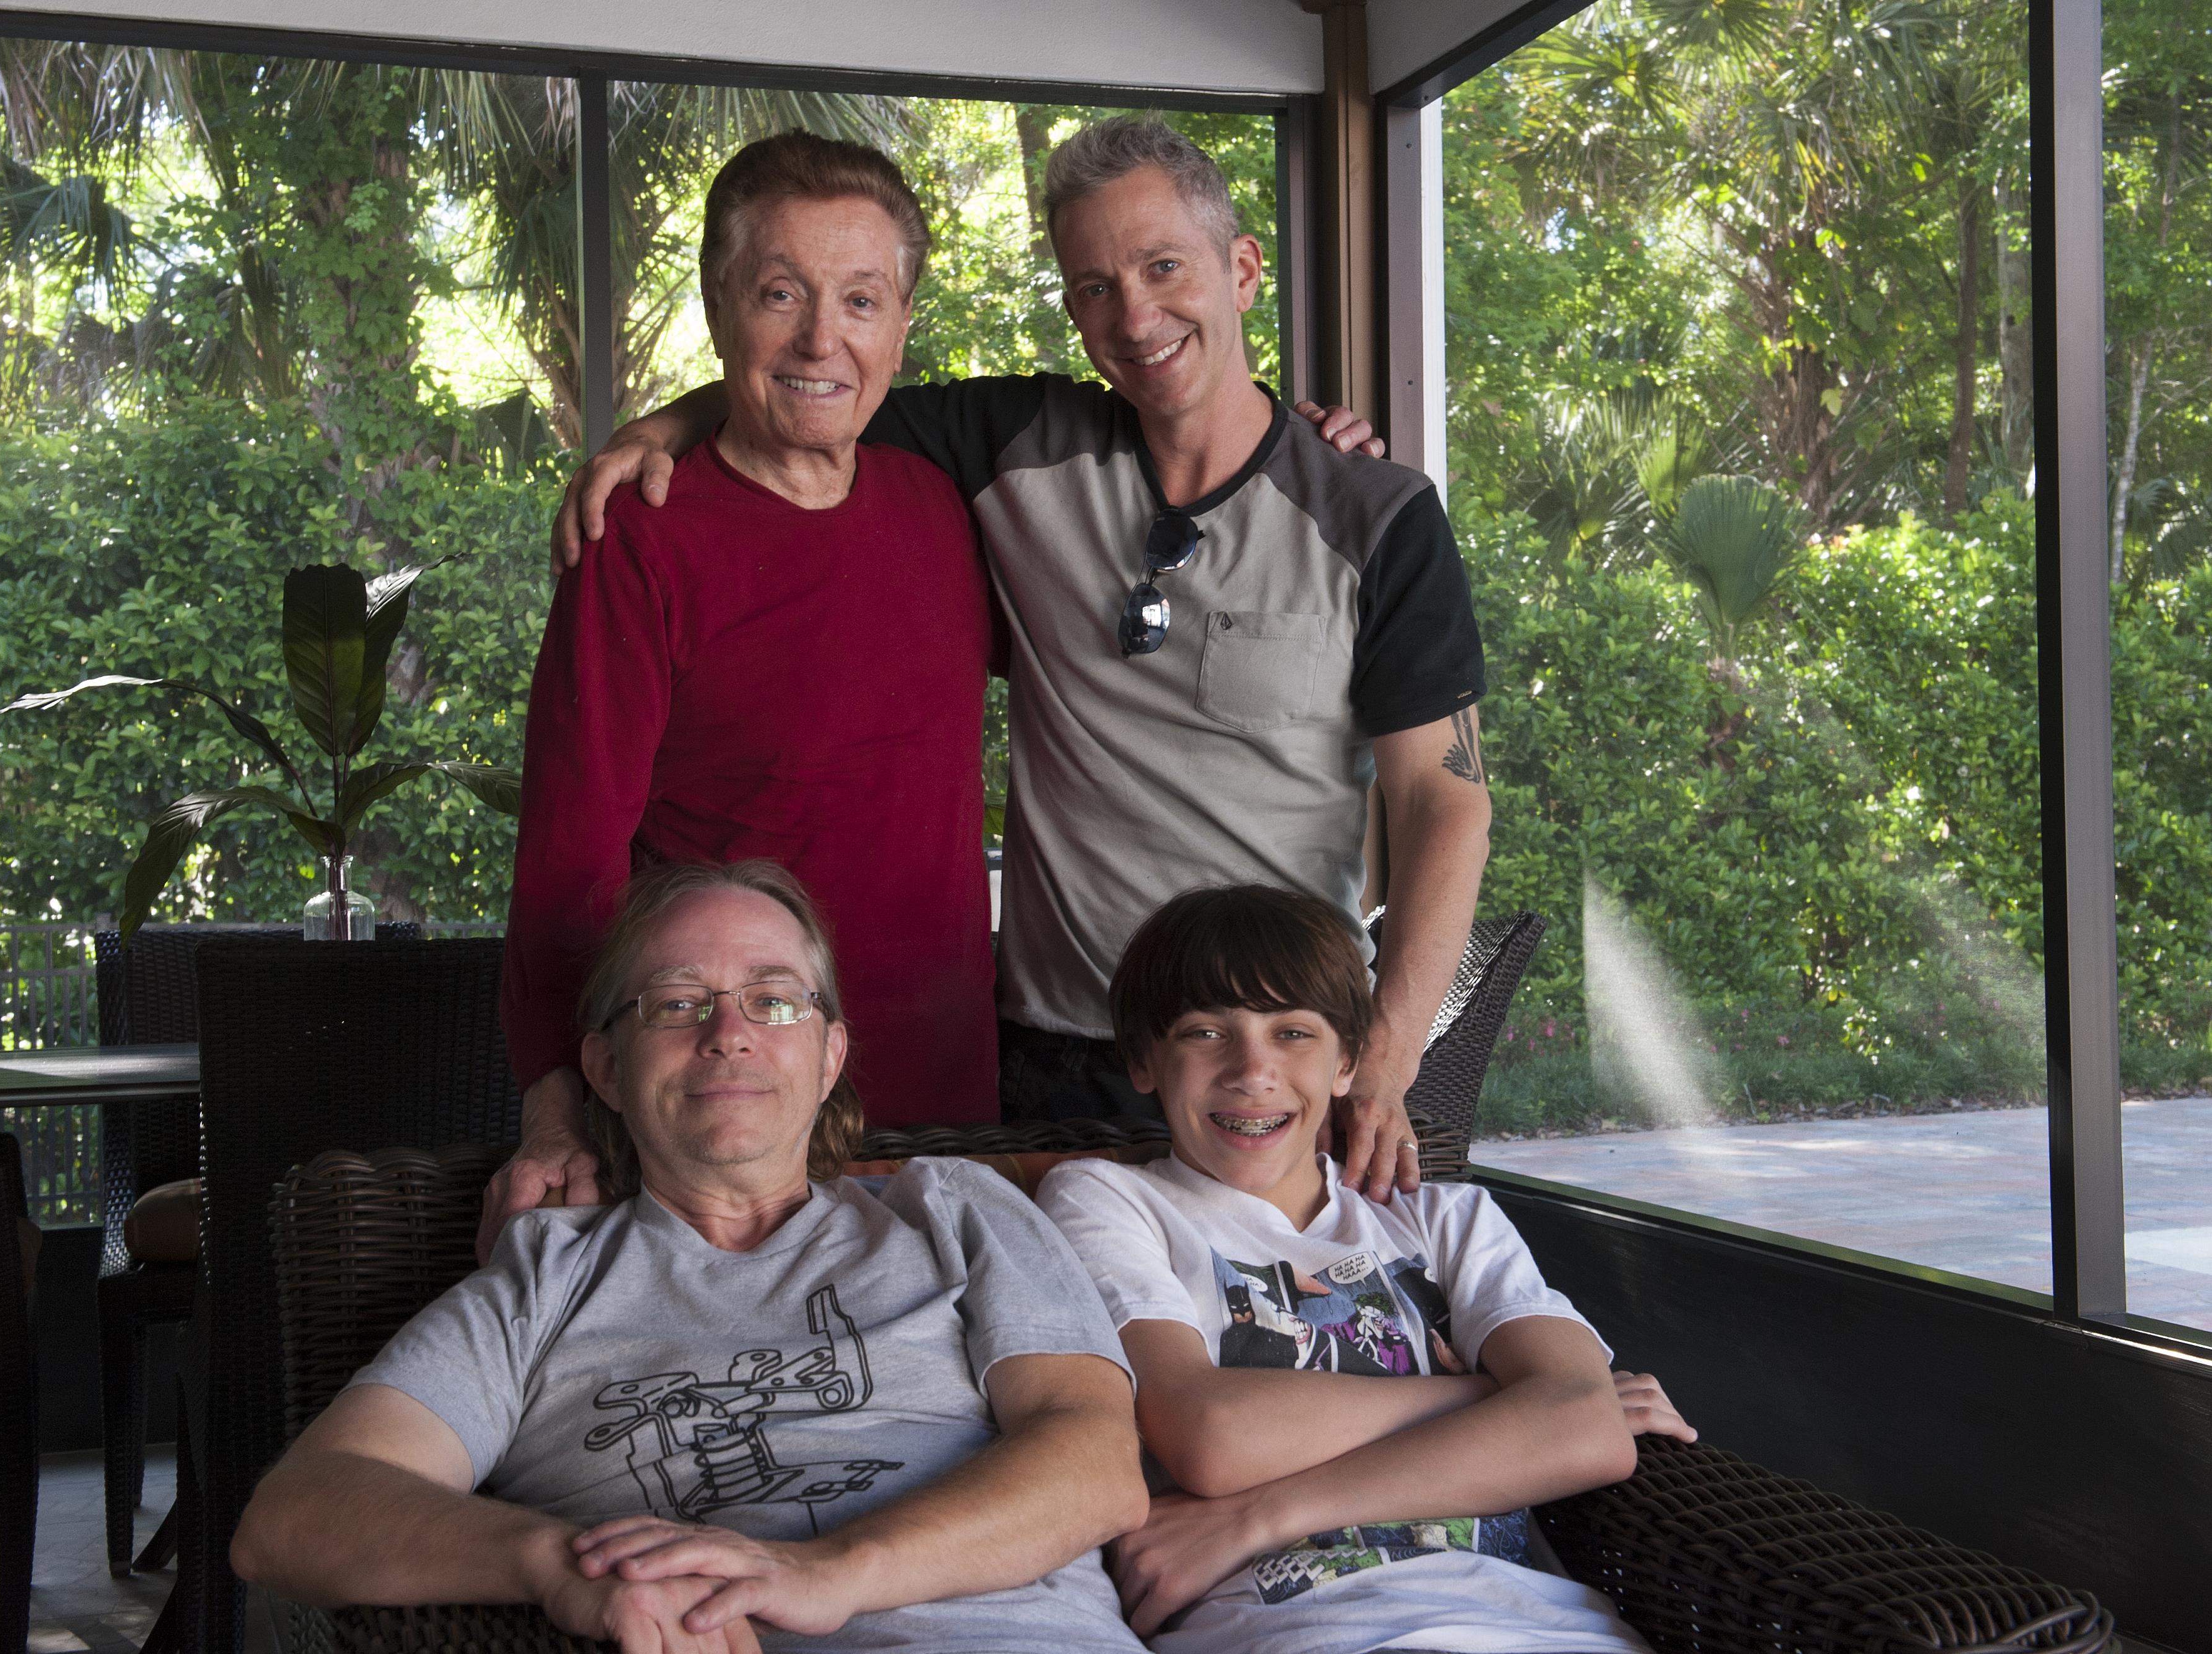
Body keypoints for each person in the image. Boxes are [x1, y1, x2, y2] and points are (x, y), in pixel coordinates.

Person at [550, 115, 1490, 1213]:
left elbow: (1447, 804)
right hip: (1038, 1057)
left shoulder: (1377, 515)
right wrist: (659, 427)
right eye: (1094, 286)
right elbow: (817, 384)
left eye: (1164, 268)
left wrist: (1381, 1059)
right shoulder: (1014, 450)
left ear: (1241, 268)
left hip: (1262, 1060)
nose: (1134, 316)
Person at [234, 859, 1152, 1654]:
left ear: (829, 1053)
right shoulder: (544, 1279)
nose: (729, 1030)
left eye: (774, 998)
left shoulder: (954, 1210)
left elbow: (1096, 1460)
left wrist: (829, 1569)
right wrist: (563, 1565)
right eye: (677, 1002)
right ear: (603, 1066)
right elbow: (295, 1514)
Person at [496, 130, 1002, 1237]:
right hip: (723, 1113)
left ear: (903, 323)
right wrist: (552, 1109)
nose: (824, 335)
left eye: (862, 299)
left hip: (949, 1104)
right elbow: (566, 854)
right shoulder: (642, 537)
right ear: (720, 307)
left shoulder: (946, 512)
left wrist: (1302, 437)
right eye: (781, 293)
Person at [1035, 885, 1695, 1652]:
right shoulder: (1111, 1199)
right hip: (1301, 1628)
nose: (1253, 1071)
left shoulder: (1447, 1217)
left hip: (1539, 1625)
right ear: (1144, 1058)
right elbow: (1210, 1433)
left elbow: (1588, 1427)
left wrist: (1261, 1512)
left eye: (1292, 1032)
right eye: (1207, 1031)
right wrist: (1497, 1394)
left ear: (1348, 1061)